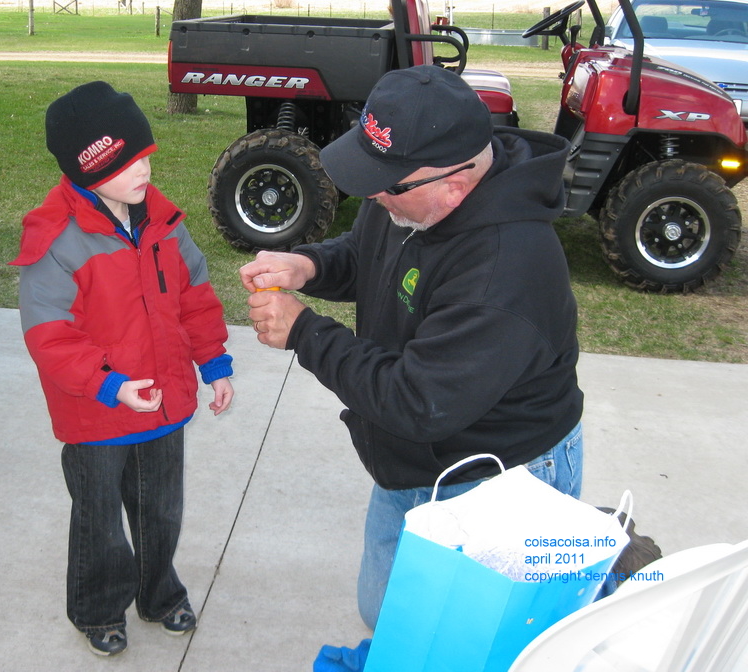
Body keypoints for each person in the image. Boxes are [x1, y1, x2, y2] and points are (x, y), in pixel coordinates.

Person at [241, 65, 583, 630]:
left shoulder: (505, 269)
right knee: (387, 613)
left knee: (466, 643)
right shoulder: (412, 192)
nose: (374, 194)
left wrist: (304, 331)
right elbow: (368, 250)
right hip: (417, 459)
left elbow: (418, 399)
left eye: (388, 184)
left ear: (454, 184)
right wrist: (308, 265)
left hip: (496, 476)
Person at [12, 81, 234, 658]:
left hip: (164, 403)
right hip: (97, 412)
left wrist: (214, 362)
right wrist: (109, 385)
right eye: (129, 160)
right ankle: (98, 607)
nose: (145, 169)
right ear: (90, 167)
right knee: (100, 520)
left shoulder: (164, 223)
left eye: (147, 155)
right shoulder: (56, 241)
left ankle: (159, 594)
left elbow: (197, 298)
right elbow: (48, 336)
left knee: (162, 509)